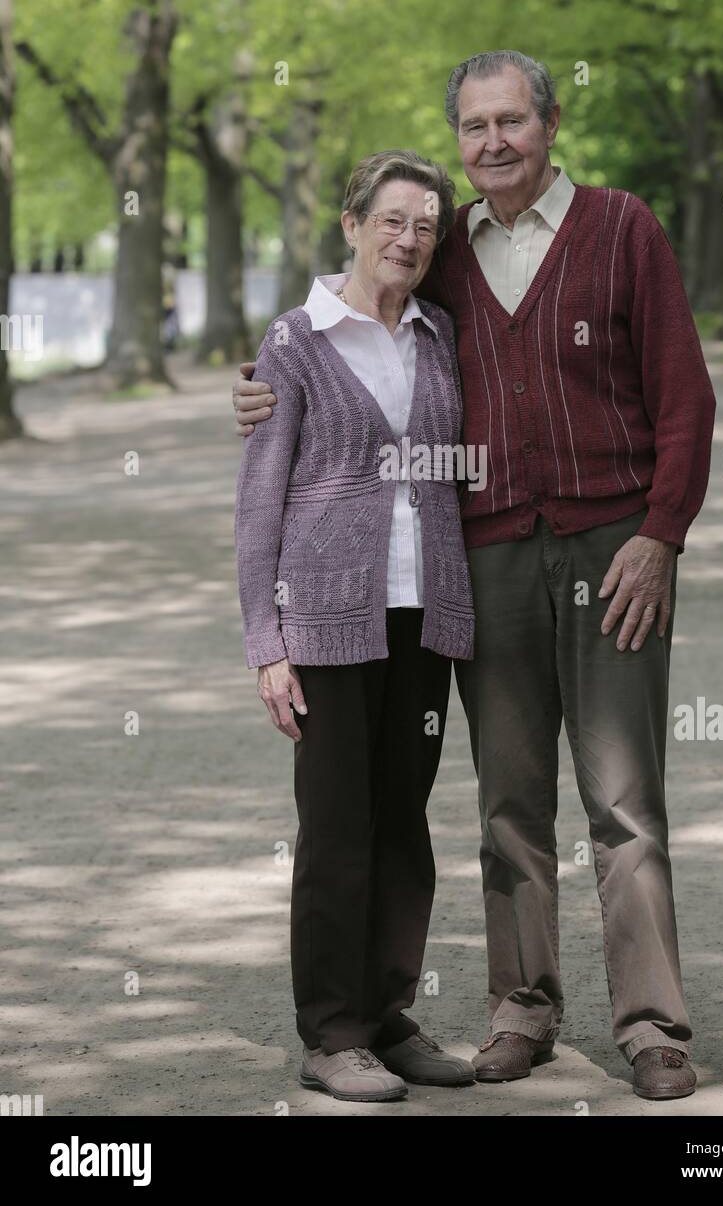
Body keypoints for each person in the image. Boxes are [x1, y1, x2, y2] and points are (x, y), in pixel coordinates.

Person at [234, 52, 717, 1102]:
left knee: (622, 797)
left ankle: (650, 1025)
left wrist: (661, 531)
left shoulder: (619, 228)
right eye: (472, 125)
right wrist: (257, 384)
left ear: (548, 123)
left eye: (510, 120)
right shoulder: (440, 257)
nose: (491, 141)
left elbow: (682, 393)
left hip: (611, 548)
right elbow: (340, 329)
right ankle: (520, 1013)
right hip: (483, 555)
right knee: (505, 800)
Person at [234, 149, 476, 1103]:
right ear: (351, 223)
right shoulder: (294, 342)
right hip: (327, 618)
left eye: (426, 225)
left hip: (427, 611)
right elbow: (258, 505)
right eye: (392, 219)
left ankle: (386, 1014)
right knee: (336, 826)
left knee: (403, 824)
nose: (408, 238)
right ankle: (331, 1032)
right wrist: (267, 644)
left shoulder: (439, 333)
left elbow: (464, 456)